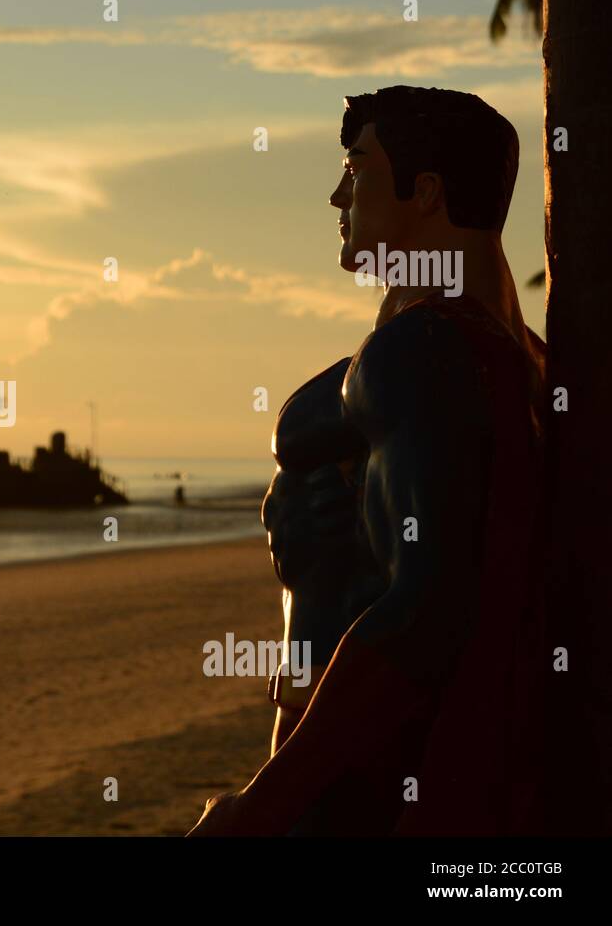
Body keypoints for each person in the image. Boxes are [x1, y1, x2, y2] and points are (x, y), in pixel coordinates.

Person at [189, 86, 547, 835]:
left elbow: (421, 613)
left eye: (356, 170)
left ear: (425, 192)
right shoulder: (507, 353)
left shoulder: (426, 353)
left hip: (376, 785)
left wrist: (262, 806)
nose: (335, 195)